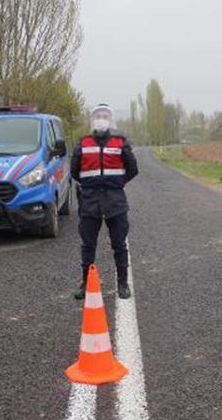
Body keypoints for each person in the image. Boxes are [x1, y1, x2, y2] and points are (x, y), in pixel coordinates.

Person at [71, 103, 139, 299]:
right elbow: (75, 171)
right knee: (88, 245)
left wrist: (116, 183)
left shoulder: (120, 142)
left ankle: (123, 284)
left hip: (114, 200)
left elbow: (133, 169)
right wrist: (91, 185)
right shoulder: (83, 143)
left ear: (110, 120)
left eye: (105, 116)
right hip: (90, 201)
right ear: (93, 120)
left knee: (119, 244)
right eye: (98, 115)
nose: (101, 118)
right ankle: (85, 283)